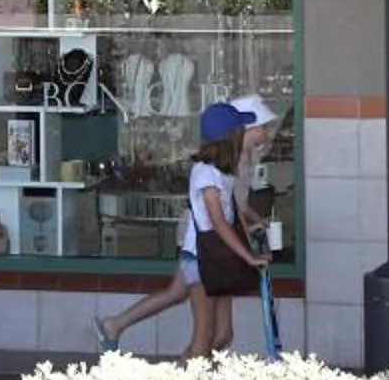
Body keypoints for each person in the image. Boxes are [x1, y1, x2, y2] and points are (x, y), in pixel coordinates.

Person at [96, 94, 281, 352]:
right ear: (239, 132)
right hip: (205, 249)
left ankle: (116, 325)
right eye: (262, 127)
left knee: (214, 329)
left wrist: (248, 228)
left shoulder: (230, 165)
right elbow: (218, 218)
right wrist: (246, 251)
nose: (266, 132)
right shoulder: (212, 169)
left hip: (217, 250)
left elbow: (233, 206)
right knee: (205, 335)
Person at [182, 103, 268, 359]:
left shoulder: (222, 173)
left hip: (217, 258)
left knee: (223, 335)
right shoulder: (205, 173)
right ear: (231, 136)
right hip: (200, 259)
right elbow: (218, 222)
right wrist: (248, 257)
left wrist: (253, 240)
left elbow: (234, 215)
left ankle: (193, 378)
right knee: (204, 335)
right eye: (241, 129)